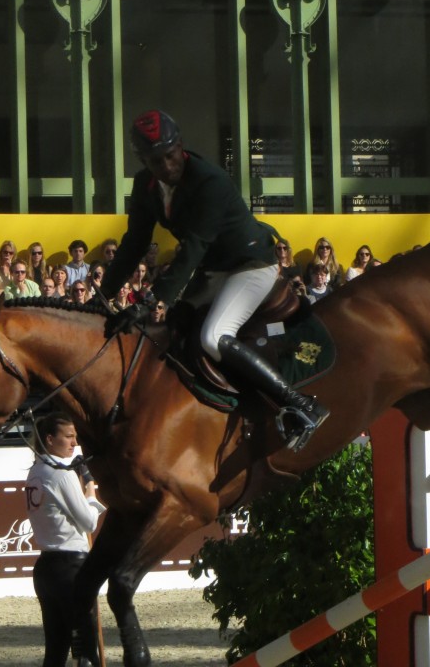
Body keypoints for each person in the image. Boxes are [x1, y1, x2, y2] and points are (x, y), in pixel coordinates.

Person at [100, 110, 328, 451]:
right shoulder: (143, 185)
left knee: (212, 336)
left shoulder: (210, 181)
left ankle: (300, 404)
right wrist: (102, 296)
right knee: (168, 331)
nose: (166, 166)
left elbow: (193, 248)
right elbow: (134, 244)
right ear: (143, 160)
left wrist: (152, 299)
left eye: (170, 155)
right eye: (156, 161)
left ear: (181, 146)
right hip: (215, 269)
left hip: (250, 265)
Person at [25, 412, 105, 667]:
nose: (73, 443)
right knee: (85, 650)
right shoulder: (60, 473)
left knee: (56, 650)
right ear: (50, 439)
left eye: (75, 437)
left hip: (47, 568)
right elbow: (89, 522)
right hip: (71, 567)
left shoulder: (36, 470)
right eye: (68, 437)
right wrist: (90, 487)